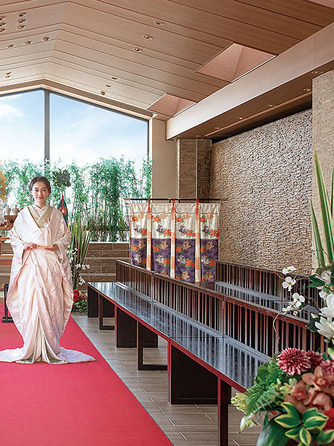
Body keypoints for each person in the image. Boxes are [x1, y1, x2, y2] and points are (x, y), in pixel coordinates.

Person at [0, 176, 95, 364]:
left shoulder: (56, 214)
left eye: (43, 190)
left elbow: (66, 235)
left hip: (49, 263)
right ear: (31, 192)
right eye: (36, 190)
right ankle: (32, 346)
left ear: (48, 192)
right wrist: (24, 245)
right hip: (30, 263)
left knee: (50, 301)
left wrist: (57, 245)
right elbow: (14, 236)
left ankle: (49, 344)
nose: (40, 194)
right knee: (31, 302)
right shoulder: (24, 214)